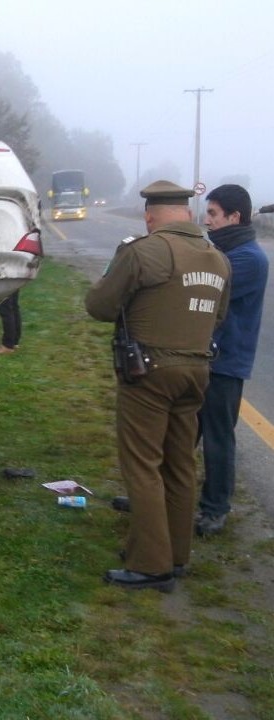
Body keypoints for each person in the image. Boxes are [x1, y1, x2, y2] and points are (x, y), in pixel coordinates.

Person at [85, 180, 231, 592]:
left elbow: (98, 305)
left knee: (142, 464)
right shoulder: (217, 258)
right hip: (197, 371)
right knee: (180, 464)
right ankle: (176, 554)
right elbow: (219, 315)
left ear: (150, 216)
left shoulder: (144, 251)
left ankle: (151, 564)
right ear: (186, 213)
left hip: (149, 372)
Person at [196, 185, 269, 536]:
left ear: (233, 217)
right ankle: (163, 495)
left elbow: (203, 289)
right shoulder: (223, 251)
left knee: (218, 439)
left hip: (225, 364)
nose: (205, 219)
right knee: (180, 434)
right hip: (201, 358)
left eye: (212, 213)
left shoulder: (248, 259)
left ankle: (215, 509)